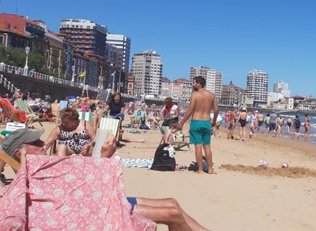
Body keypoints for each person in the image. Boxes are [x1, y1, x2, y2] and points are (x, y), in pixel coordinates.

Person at [0, 129, 208, 231]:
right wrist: (104, 159)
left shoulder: (43, 171)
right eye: (36, 142)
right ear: (21, 153)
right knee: (171, 212)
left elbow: (78, 186)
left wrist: (96, 157)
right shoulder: (28, 178)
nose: (44, 143)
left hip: (96, 202)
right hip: (96, 211)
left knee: (172, 203)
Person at [177, 76, 219, 174]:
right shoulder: (212, 95)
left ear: (199, 84)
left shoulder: (195, 94)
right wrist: (214, 122)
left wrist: (181, 123)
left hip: (196, 122)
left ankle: (200, 170)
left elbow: (190, 110)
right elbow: (216, 110)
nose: (193, 84)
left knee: (198, 146)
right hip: (206, 123)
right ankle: (210, 169)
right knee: (207, 146)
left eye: (194, 82)